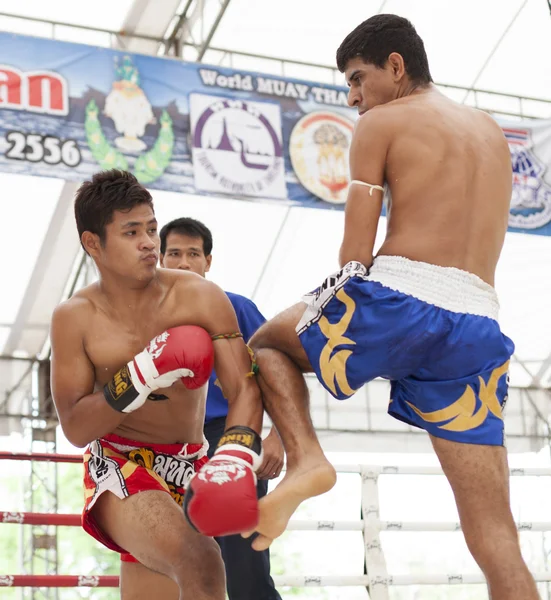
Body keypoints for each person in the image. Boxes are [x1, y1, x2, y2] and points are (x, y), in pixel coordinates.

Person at [241, 14, 540, 600]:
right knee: (496, 534)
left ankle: (305, 461)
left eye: (357, 79)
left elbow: (354, 257)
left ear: (396, 66)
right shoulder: (489, 132)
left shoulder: (381, 121)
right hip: (478, 324)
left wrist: (289, 412)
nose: (353, 98)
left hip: (402, 298)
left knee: (268, 341)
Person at [49, 169, 267, 600]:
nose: (149, 241)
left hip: (191, 461)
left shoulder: (199, 296)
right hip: (122, 465)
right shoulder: (74, 317)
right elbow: (75, 427)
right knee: (201, 560)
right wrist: (140, 374)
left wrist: (236, 454)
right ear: (93, 243)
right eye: (131, 232)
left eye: (150, 227)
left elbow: (243, 387)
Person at [159, 216, 283, 600]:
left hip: (228, 437)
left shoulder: (235, 307)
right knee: (176, 563)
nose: (183, 263)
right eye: (174, 253)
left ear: (208, 261)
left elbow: (278, 369)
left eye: (192, 254)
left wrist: (278, 437)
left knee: (244, 568)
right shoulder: (145, 315)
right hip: (164, 445)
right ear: (160, 258)